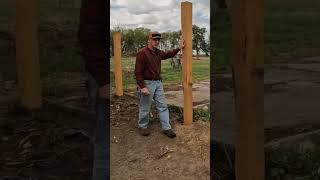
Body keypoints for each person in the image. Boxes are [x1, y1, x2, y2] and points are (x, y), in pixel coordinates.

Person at [78, 0, 109, 179]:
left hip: (105, 75)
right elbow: (89, 34)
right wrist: (104, 81)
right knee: (105, 144)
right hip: (102, 77)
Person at [134, 32, 185, 138]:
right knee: (145, 106)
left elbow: (167, 54)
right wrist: (142, 86)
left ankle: (166, 128)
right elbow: (138, 72)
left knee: (162, 106)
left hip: (158, 83)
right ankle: (143, 126)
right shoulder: (142, 53)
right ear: (149, 40)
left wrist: (179, 48)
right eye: (155, 40)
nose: (157, 42)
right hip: (147, 83)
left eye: (158, 40)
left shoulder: (158, 52)